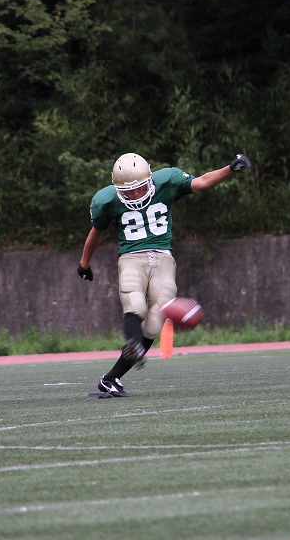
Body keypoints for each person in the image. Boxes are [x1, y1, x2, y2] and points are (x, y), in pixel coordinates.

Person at [77, 152, 252, 397]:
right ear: (117, 188)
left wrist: (230, 169)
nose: (135, 195)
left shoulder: (167, 180)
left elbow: (202, 182)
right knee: (134, 301)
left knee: (154, 323)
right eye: (128, 191)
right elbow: (96, 233)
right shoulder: (106, 200)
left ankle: (111, 377)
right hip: (131, 257)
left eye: (139, 188)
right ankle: (133, 345)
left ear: (149, 179)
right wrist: (84, 264)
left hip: (163, 257)